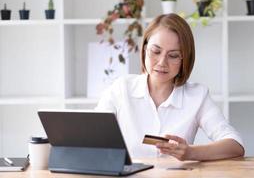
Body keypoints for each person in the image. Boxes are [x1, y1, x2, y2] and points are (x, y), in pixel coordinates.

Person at [95, 13, 244, 161]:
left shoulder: (197, 95)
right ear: (145, 49)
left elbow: (235, 145)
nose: (162, 62)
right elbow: (92, 137)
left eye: (173, 55)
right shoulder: (121, 89)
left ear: (184, 59)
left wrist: (190, 152)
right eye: (156, 51)